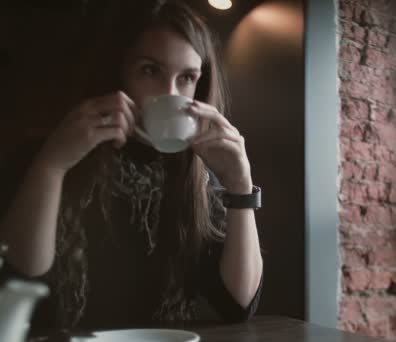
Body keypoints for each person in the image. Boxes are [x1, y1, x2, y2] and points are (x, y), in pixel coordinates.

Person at [0, 0, 263, 334]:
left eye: (186, 78)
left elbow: (237, 304)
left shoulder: (196, 180)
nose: (170, 93)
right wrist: (51, 166)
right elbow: (19, 282)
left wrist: (240, 187)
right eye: (150, 70)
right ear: (119, 72)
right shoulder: (47, 157)